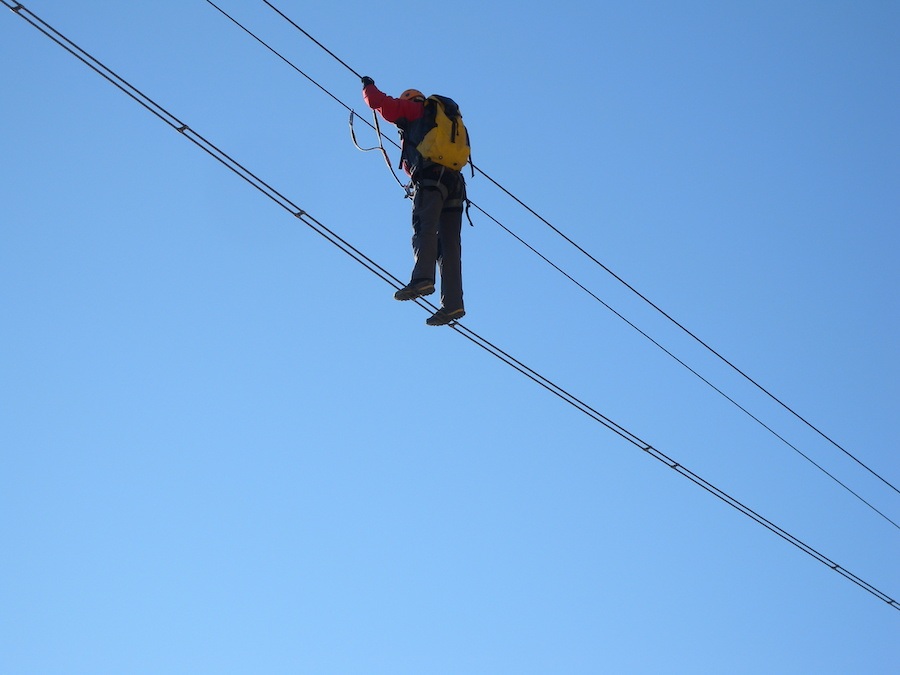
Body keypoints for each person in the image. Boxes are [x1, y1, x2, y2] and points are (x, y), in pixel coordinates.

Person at [361, 76, 467, 326]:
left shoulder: (415, 110)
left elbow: (379, 103)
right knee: (450, 247)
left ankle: (422, 279)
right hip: (455, 183)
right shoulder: (444, 119)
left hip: (431, 179)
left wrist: (368, 86)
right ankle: (453, 304)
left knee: (425, 227)